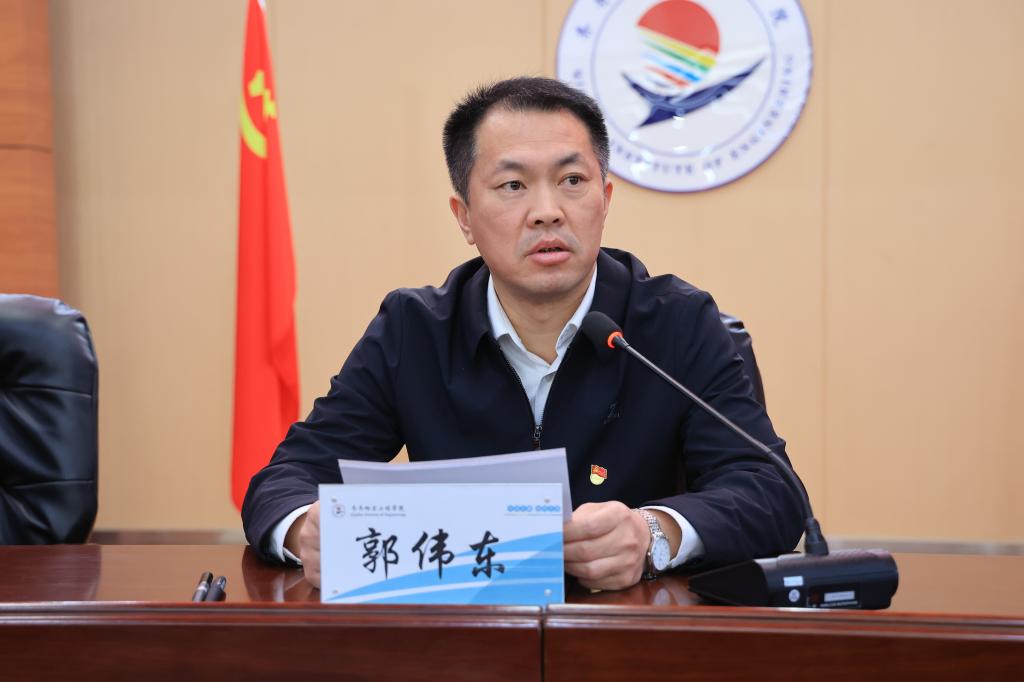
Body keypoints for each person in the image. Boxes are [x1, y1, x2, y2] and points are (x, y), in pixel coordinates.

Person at [241, 76, 804, 590]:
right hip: (465, 634)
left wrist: (654, 534)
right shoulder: (414, 330)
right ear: (464, 216)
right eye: (513, 185)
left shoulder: (676, 323)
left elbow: (770, 491)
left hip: (629, 634)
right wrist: (306, 530)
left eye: (572, 180)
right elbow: (284, 479)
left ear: (605, 200)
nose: (547, 211)